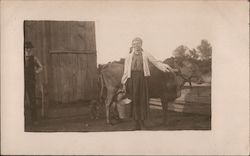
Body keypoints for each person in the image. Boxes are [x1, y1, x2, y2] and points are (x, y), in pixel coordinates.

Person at [121, 37, 175, 130]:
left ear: (141, 44)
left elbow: (156, 62)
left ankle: (142, 123)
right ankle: (136, 124)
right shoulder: (129, 56)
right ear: (132, 45)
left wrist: (165, 68)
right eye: (134, 44)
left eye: (138, 43)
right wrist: (124, 81)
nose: (136, 45)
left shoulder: (145, 54)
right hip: (132, 79)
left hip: (143, 79)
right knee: (134, 101)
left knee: (142, 101)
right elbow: (126, 70)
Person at [24, 41, 43, 125]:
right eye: (26, 48)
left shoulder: (34, 58)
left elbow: (41, 67)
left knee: (32, 100)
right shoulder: (19, 58)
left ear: (31, 49)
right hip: (21, 82)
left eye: (29, 48)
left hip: (31, 81)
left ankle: (34, 119)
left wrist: (35, 71)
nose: (28, 49)